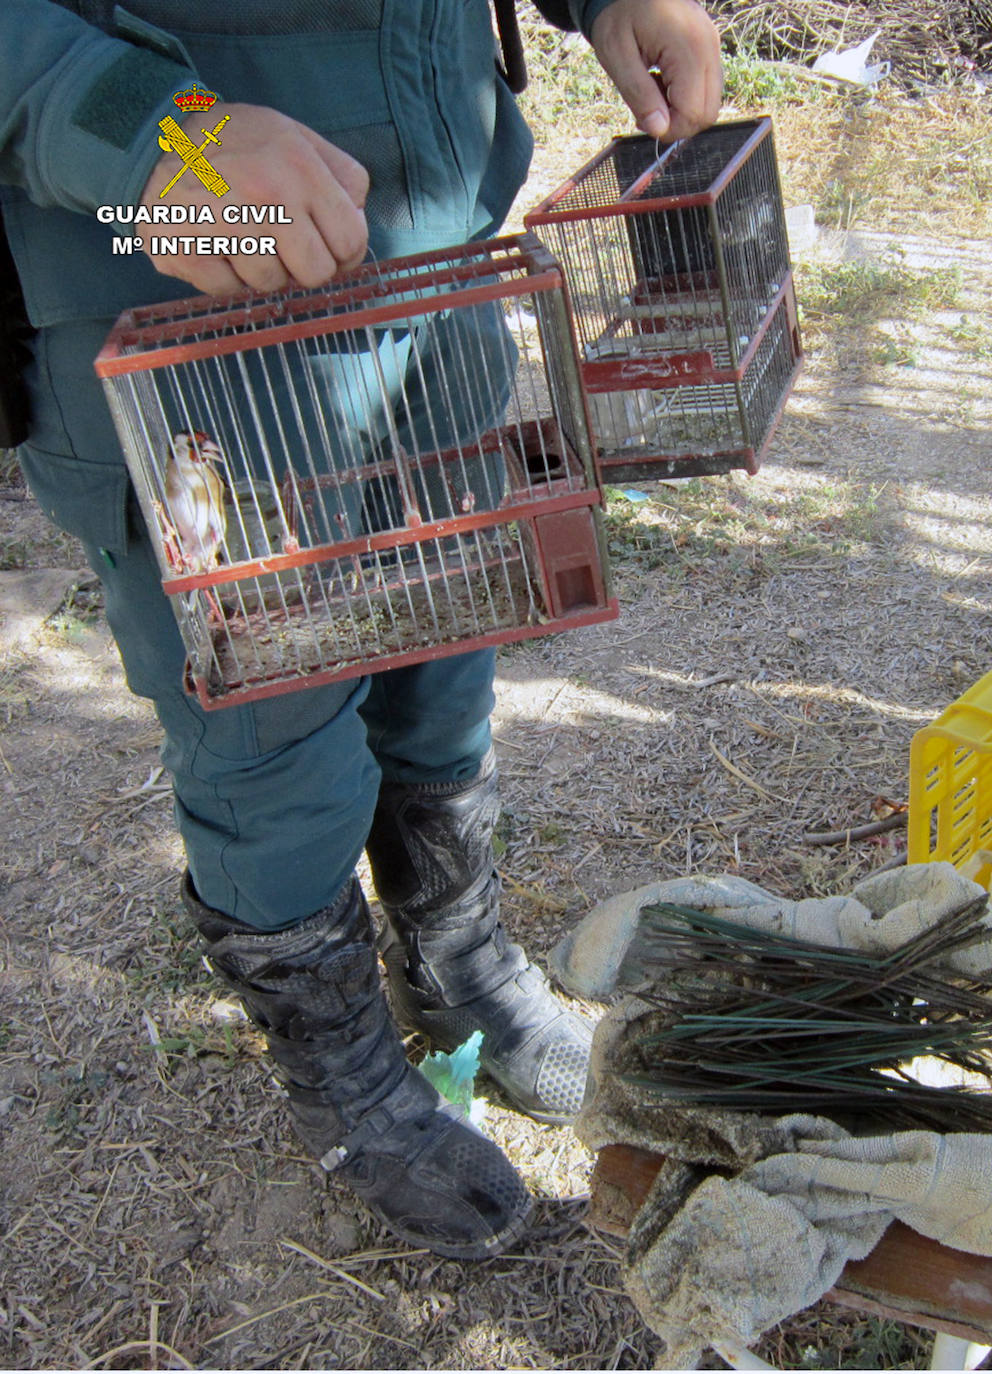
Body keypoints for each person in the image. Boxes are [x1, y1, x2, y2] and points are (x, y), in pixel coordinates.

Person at [0, 0, 722, 1260]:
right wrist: (151, 143)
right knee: (266, 739)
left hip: (434, 247)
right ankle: (346, 1079)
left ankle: (459, 971)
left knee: (450, 638)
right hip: (179, 279)